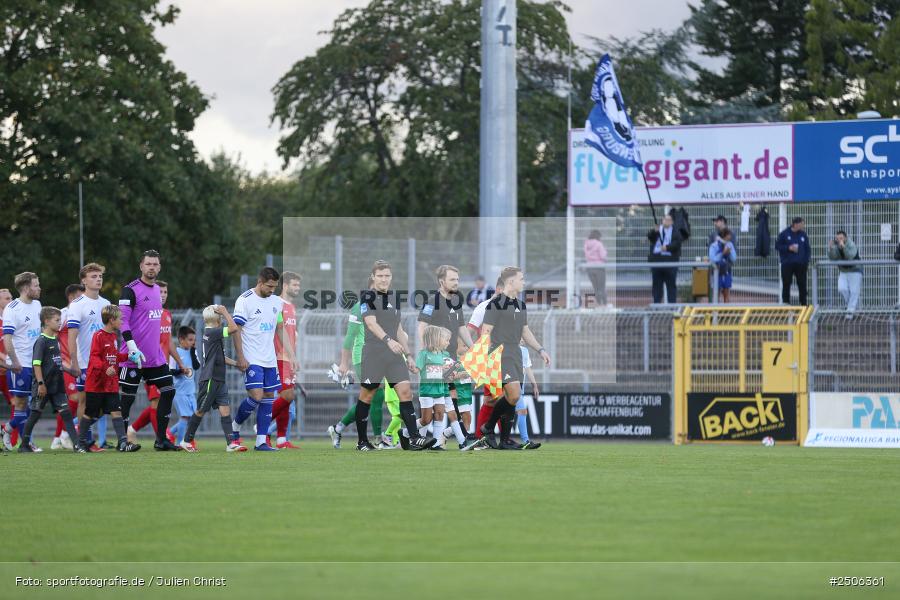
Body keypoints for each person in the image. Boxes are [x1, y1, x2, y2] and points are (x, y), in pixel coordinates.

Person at [353, 260, 434, 451]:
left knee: (406, 392)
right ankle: (362, 441)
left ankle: (414, 438)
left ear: (391, 277)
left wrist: (409, 355)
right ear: (373, 277)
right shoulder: (367, 297)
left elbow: (398, 328)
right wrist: (388, 341)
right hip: (374, 353)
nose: (383, 279)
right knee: (367, 395)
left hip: (395, 355)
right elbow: (371, 324)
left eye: (387, 275)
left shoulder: (394, 298)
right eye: (380, 276)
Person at [467, 267, 551, 451]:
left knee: (511, 398)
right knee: (513, 395)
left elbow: (525, 331)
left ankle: (504, 440)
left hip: (515, 353)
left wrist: (540, 349)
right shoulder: (495, 304)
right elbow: (486, 332)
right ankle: (488, 427)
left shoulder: (521, 305)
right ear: (510, 282)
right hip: (499, 354)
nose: (524, 282)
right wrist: (478, 357)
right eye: (521, 279)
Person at [116, 250, 182, 451]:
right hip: (132, 357)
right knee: (126, 399)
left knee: (169, 391)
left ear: (159, 267)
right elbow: (123, 321)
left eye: (155, 264)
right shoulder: (130, 290)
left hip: (154, 358)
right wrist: (132, 347)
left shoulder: (156, 291)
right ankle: (122, 441)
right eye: (148, 264)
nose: (152, 267)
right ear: (141, 266)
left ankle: (161, 440)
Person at [416, 265, 475, 444]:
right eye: (452, 279)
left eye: (457, 279)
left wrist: (473, 348)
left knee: (447, 401)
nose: (456, 282)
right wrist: (428, 352)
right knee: (439, 402)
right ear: (442, 281)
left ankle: (437, 439)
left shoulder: (456, 302)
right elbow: (421, 326)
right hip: (436, 359)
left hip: (450, 359)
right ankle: (416, 435)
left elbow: (461, 328)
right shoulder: (431, 301)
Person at [230, 267, 286, 452]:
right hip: (251, 357)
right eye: (269, 286)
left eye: (275, 287)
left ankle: (261, 441)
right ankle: (235, 427)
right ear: (260, 282)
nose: (272, 290)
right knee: (256, 395)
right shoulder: (244, 300)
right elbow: (236, 329)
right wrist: (240, 357)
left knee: (269, 396)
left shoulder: (277, 302)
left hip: (269, 358)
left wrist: (289, 353)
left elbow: (279, 328)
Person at [127, 280, 188, 442]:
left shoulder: (167, 314)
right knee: (155, 401)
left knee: (159, 401)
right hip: (150, 364)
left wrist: (180, 363)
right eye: (160, 292)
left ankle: (132, 429)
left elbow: (169, 341)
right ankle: (162, 437)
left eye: (165, 292)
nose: (162, 295)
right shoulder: (147, 314)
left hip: (163, 366)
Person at [328, 277, 384, 449]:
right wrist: (344, 363)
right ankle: (378, 439)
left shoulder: (383, 307)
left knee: (370, 397)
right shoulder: (359, 307)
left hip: (378, 357)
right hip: (362, 358)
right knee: (375, 395)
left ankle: (338, 428)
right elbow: (350, 337)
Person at [19, 307, 84, 453]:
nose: (60, 323)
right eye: (57, 320)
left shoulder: (55, 340)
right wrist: (41, 384)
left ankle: (76, 445)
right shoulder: (41, 341)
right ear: (47, 322)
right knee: (35, 414)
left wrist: (70, 370)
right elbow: (36, 364)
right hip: (44, 386)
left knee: (66, 413)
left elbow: (57, 361)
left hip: (57, 385)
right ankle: (24, 445)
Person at [182, 305, 244, 452]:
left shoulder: (213, 334)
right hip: (209, 379)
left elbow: (221, 357)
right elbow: (234, 328)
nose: (223, 319)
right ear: (218, 319)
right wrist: (225, 311)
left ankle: (231, 444)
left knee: (225, 410)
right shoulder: (212, 332)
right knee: (200, 410)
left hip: (219, 379)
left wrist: (237, 364)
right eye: (221, 317)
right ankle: (186, 441)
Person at [79, 305, 140, 452]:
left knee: (116, 411)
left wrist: (128, 357)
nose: (122, 321)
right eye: (120, 319)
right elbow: (94, 357)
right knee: (90, 412)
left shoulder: (113, 337)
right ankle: (80, 443)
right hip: (96, 383)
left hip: (111, 383)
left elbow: (114, 357)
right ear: (111, 320)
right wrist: (106, 369)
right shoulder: (98, 336)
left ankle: (123, 443)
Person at [66, 263, 111, 450]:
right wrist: (74, 362)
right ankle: (84, 441)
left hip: (105, 363)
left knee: (106, 405)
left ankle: (77, 429)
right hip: (85, 363)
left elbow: (111, 333)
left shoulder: (107, 304)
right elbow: (72, 336)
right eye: (93, 276)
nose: (98, 279)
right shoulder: (77, 305)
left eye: (100, 276)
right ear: (83, 280)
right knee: (85, 401)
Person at [1, 272, 43, 451]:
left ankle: (6, 429)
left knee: (34, 405)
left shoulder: (38, 305)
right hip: (21, 364)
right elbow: (7, 339)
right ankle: (26, 442)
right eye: (36, 285)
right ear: (26, 288)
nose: (39, 288)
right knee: (21, 405)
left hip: (35, 364)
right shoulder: (13, 308)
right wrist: (15, 362)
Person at [415, 325, 469, 451]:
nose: (448, 342)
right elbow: (442, 375)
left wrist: (457, 372)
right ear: (436, 339)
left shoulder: (444, 354)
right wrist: (453, 373)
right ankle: (413, 436)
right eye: (446, 339)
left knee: (442, 416)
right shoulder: (426, 354)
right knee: (427, 419)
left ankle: (437, 443)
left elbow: (446, 374)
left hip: (443, 389)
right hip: (434, 390)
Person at [468, 276, 505, 438]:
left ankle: (482, 436)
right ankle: (500, 437)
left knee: (493, 400)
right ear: (499, 289)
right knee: (501, 398)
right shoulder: (483, 307)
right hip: (490, 358)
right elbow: (469, 331)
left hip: (506, 357)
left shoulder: (509, 307)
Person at [270, 271, 302, 449]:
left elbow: (291, 335)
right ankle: (262, 426)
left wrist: (294, 358)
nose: (298, 288)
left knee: (287, 399)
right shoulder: (276, 304)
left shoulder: (291, 307)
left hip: (289, 359)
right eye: (294, 285)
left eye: (298, 285)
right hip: (278, 358)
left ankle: (281, 439)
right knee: (286, 396)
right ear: (285, 285)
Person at [51, 283, 84, 450]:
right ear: (71, 297)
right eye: (80, 295)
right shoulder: (63, 314)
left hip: (82, 363)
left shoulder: (82, 313)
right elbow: (51, 337)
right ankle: (65, 433)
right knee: (75, 399)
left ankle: (58, 437)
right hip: (67, 365)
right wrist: (59, 360)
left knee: (80, 401)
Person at [167, 326, 199, 447]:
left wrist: (192, 353)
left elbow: (196, 366)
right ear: (181, 339)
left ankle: (170, 432)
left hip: (190, 391)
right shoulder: (176, 353)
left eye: (193, 340)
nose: (192, 342)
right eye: (190, 340)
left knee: (194, 417)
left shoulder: (193, 352)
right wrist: (181, 371)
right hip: (179, 391)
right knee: (185, 416)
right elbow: (171, 371)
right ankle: (181, 442)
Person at [775, 217, 811, 305]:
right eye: (801, 224)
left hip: (801, 265)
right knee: (786, 284)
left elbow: (807, 248)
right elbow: (777, 246)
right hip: (787, 264)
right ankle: (786, 305)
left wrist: (806, 261)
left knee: (802, 284)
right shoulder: (784, 234)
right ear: (795, 224)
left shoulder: (803, 235)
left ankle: (803, 305)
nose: (803, 226)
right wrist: (788, 248)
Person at [648, 213, 683, 304]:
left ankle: (672, 307)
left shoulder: (676, 232)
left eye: (668, 220)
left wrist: (667, 247)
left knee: (671, 285)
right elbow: (650, 238)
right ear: (662, 220)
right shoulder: (657, 229)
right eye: (665, 219)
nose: (666, 221)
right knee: (657, 286)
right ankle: (656, 305)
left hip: (670, 262)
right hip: (657, 262)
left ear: (672, 222)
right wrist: (654, 232)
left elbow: (677, 243)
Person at [827, 230, 862, 316]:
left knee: (854, 292)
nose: (839, 240)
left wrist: (844, 247)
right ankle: (853, 308)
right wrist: (831, 249)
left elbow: (850, 256)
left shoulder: (851, 244)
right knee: (842, 288)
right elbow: (833, 258)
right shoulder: (836, 246)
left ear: (845, 238)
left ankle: (849, 314)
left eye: (841, 238)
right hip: (843, 271)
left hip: (855, 270)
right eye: (837, 238)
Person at [515, 344, 541, 450]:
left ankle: (525, 441)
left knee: (520, 412)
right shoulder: (506, 347)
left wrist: (534, 384)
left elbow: (527, 368)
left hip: (519, 387)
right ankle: (525, 441)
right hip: (508, 384)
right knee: (521, 411)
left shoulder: (524, 350)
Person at [708, 228, 737, 303]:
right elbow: (712, 259)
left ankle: (726, 311)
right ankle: (716, 312)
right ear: (724, 236)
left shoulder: (730, 244)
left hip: (727, 270)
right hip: (716, 271)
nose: (730, 236)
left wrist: (729, 252)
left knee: (726, 292)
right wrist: (722, 254)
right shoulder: (714, 246)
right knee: (716, 292)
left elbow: (734, 258)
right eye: (729, 235)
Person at [583, 230, 608, 306]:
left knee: (595, 288)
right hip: (599, 267)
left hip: (589, 268)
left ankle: (599, 304)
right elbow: (603, 256)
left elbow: (586, 256)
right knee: (602, 287)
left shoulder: (586, 244)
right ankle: (605, 304)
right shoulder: (599, 244)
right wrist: (605, 252)